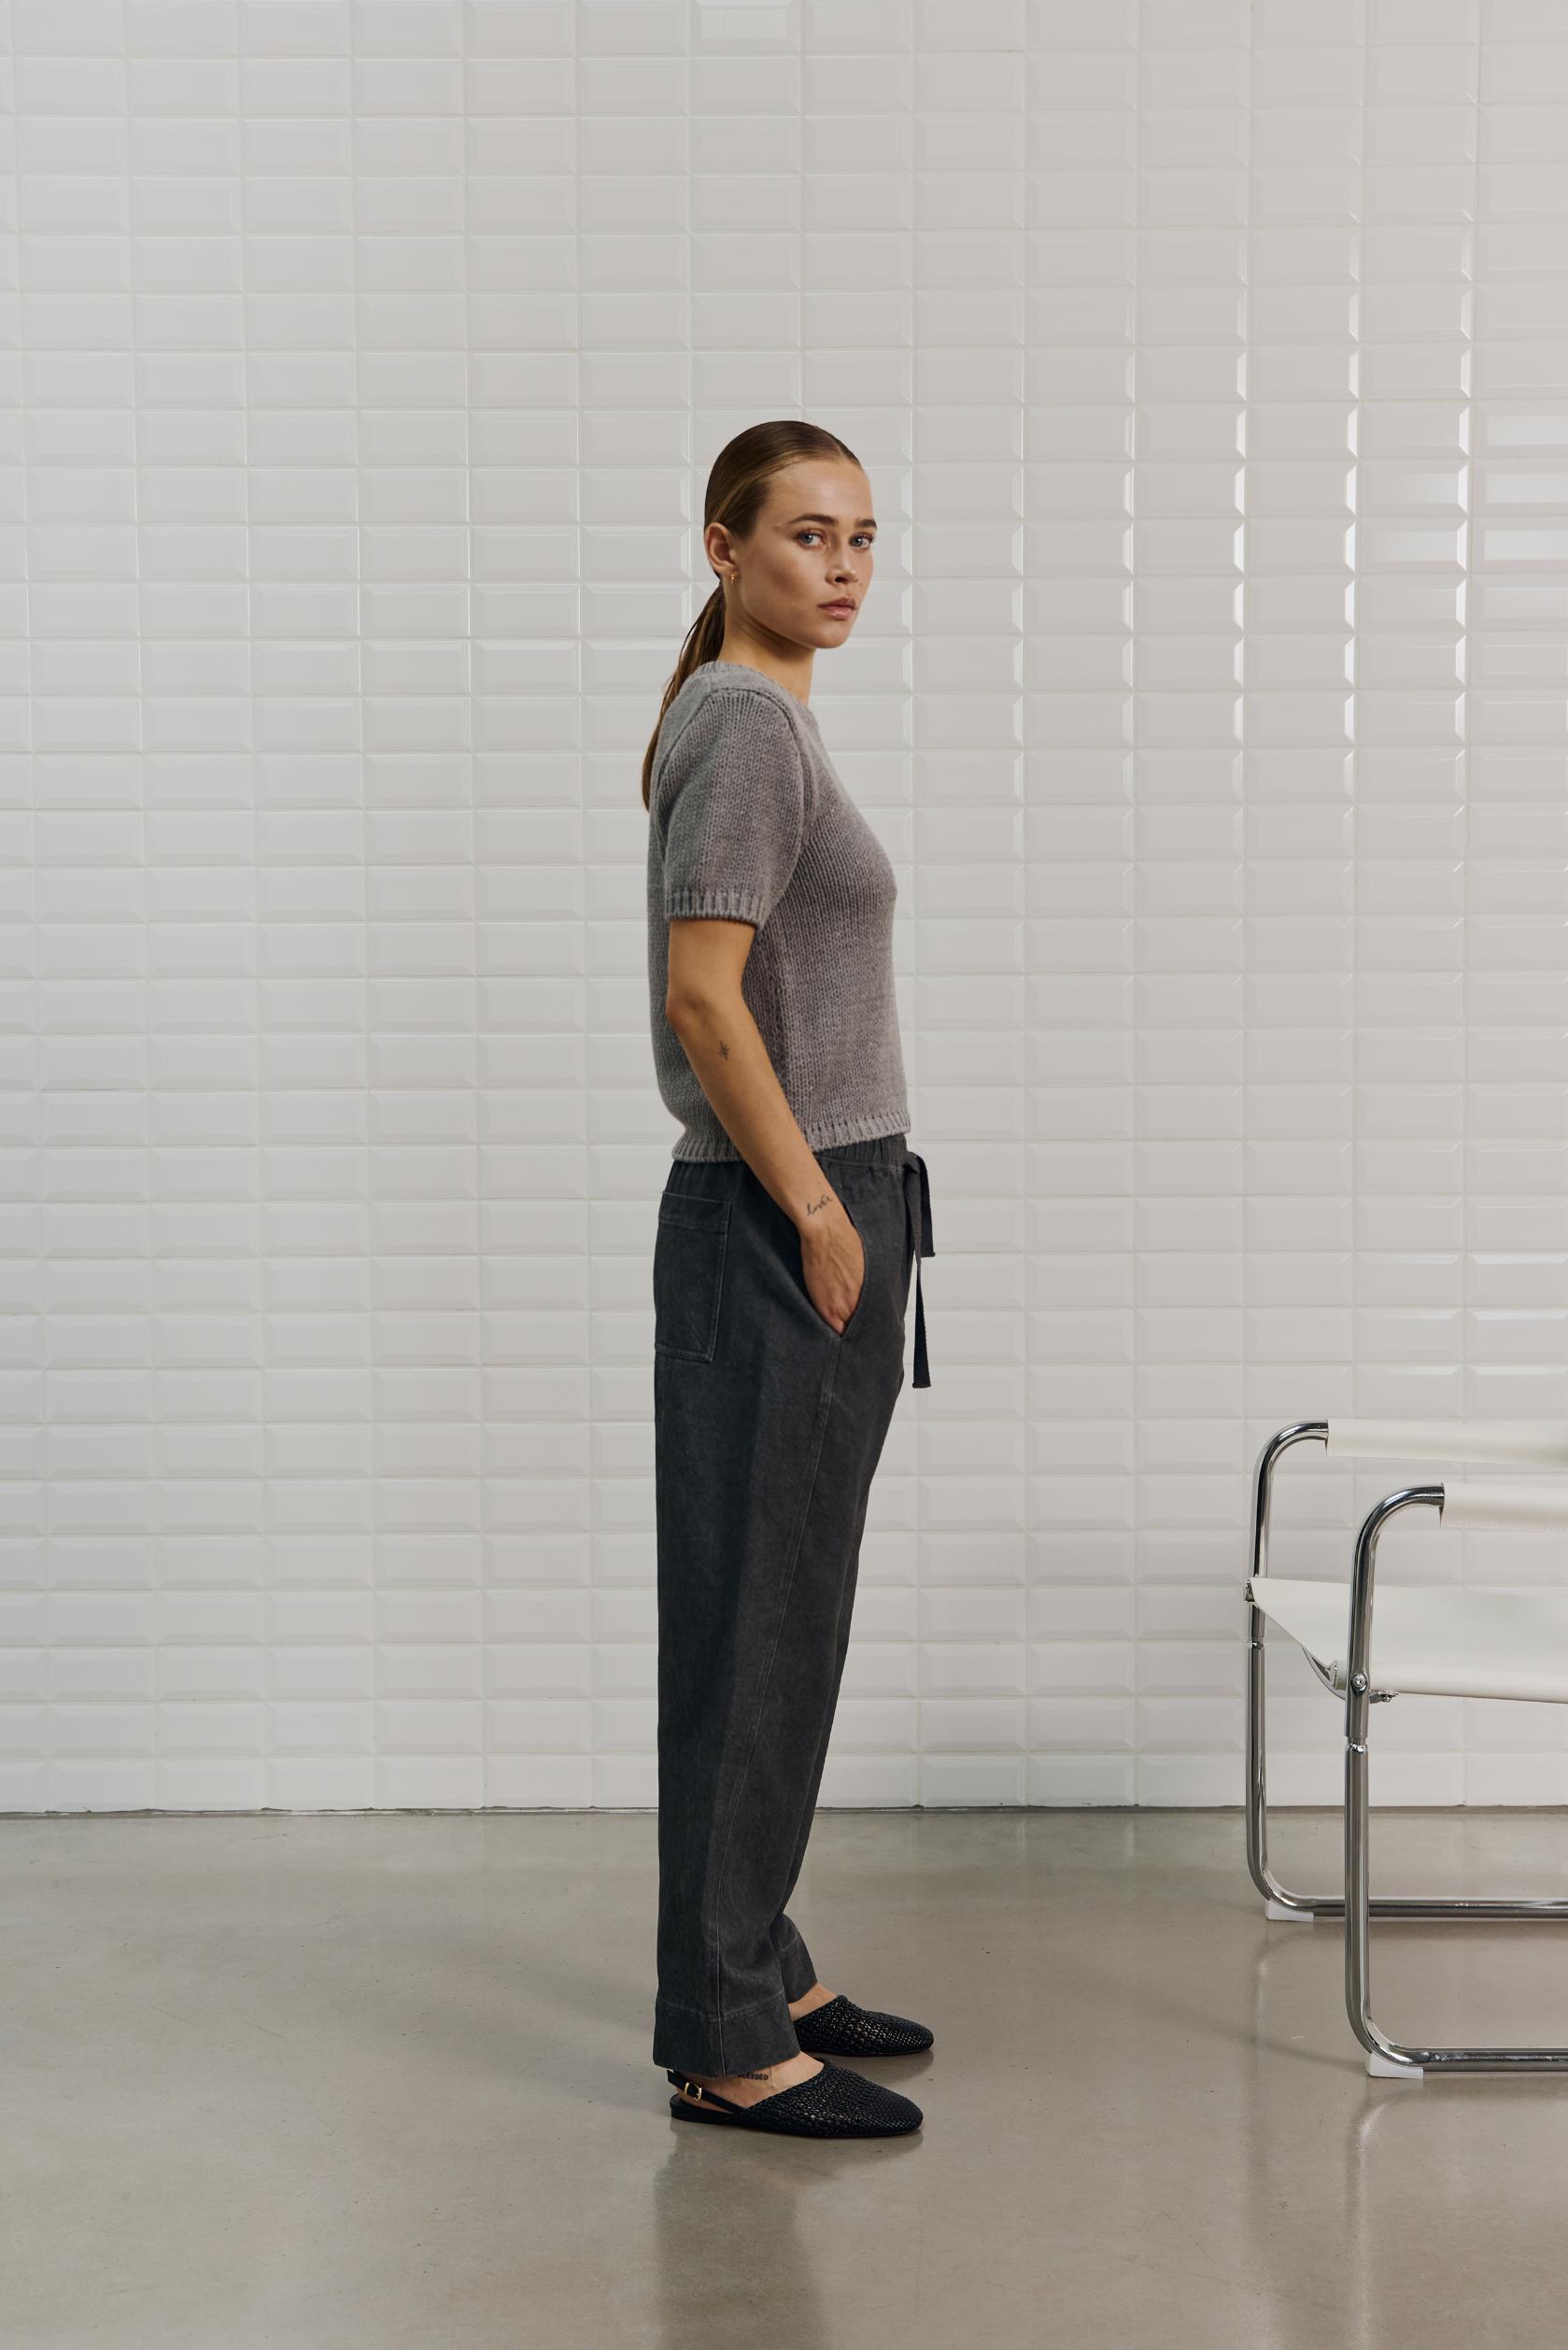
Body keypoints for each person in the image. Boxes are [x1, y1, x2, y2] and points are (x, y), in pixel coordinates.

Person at [641, 419, 937, 2139]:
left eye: (864, 536)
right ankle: (729, 2039)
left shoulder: (756, 718)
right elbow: (705, 999)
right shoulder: (748, 726)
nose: (843, 566)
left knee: (775, 1618)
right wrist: (822, 1216)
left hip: (813, 1202)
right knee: (761, 1631)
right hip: (781, 1217)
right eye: (809, 534)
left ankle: (762, 1962)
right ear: (723, 547)